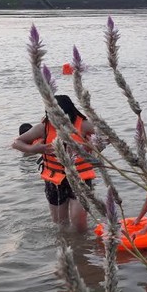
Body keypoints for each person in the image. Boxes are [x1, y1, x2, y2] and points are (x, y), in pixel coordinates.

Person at [11, 95, 97, 231]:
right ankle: (65, 246)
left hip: (80, 177)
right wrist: (33, 148)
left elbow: (107, 136)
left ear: (68, 112)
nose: (54, 120)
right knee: (60, 224)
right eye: (50, 114)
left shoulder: (83, 125)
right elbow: (16, 143)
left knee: (78, 221)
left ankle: (81, 248)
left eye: (57, 115)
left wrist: (91, 145)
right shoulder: (43, 127)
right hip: (54, 179)